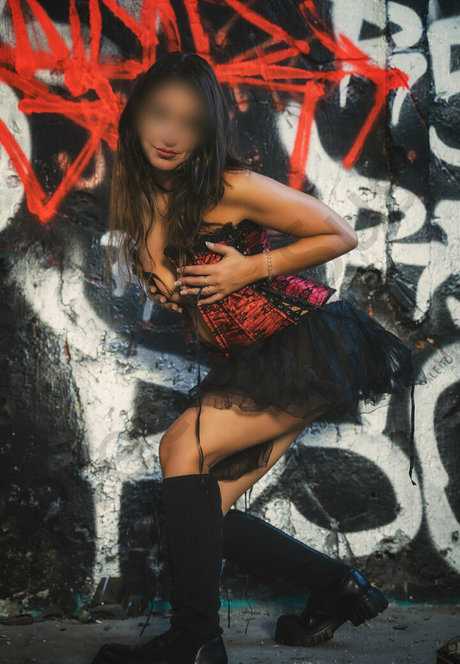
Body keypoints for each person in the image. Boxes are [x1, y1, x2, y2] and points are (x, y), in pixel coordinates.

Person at [94, 51, 426, 664]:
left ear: (208, 131)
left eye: (190, 123)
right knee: (203, 512)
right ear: (135, 113)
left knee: (180, 448)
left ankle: (196, 642)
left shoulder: (228, 186)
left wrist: (250, 267)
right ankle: (336, 586)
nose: (170, 135)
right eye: (160, 115)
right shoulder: (141, 190)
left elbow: (339, 233)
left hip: (305, 340)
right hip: (261, 358)